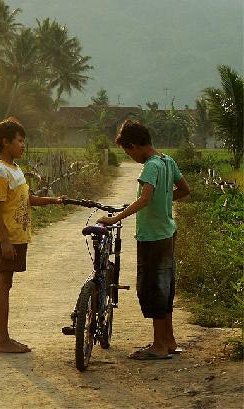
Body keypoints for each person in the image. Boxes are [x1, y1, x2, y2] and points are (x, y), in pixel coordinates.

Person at [97, 119, 190, 360]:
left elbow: (145, 198)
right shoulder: (168, 161)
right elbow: (184, 189)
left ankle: (158, 345)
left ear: (135, 145)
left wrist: (115, 217)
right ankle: (169, 340)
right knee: (166, 286)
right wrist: (165, 201)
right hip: (167, 232)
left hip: (153, 236)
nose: (130, 157)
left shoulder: (150, 166)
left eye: (128, 151)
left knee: (152, 288)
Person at [0, 117, 66, 353]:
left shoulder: (15, 169)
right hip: (8, 237)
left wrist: (53, 200)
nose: (23, 145)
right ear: (6, 142)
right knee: (3, 283)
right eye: (20, 141)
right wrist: (5, 240)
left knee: (6, 283)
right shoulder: (1, 171)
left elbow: (27, 199)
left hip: (17, 237)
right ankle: (2, 340)